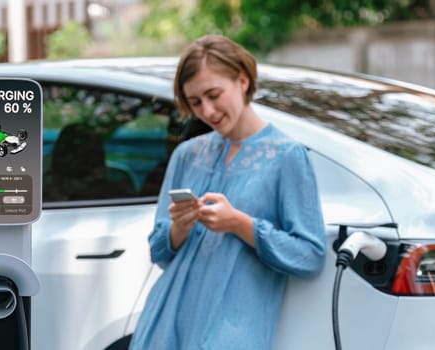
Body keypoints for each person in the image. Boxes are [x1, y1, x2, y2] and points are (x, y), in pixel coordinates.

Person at [129, 34, 326, 349]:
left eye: (214, 94)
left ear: (243, 81)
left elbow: (310, 256)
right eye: (195, 102)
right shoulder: (188, 155)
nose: (207, 111)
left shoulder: (287, 156)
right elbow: (158, 251)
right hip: (168, 324)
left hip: (233, 330)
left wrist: (239, 224)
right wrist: (179, 227)